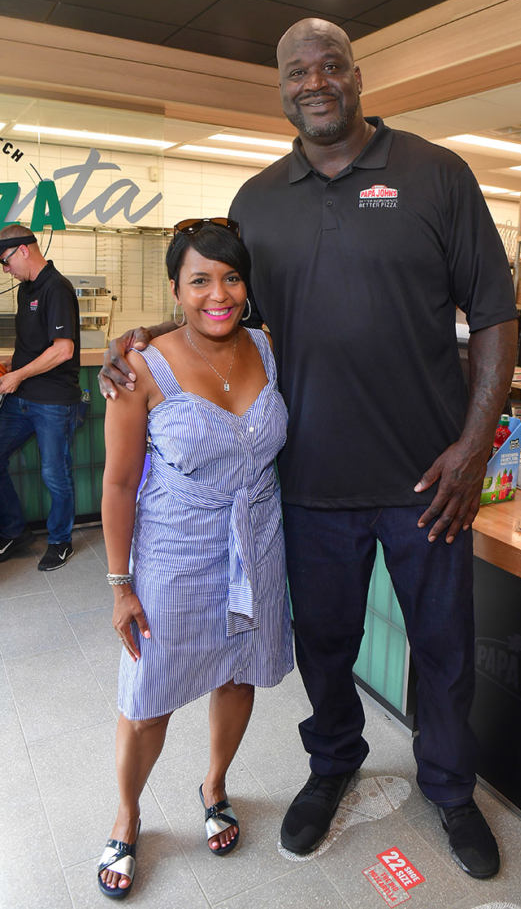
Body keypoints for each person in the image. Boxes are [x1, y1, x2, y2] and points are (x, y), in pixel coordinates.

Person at [100, 19, 518, 881]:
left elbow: (496, 317)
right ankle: (333, 764)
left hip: (428, 480)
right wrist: (144, 335)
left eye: (332, 66)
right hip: (309, 482)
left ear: (358, 77)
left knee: (442, 646)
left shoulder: (437, 174)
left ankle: (447, 785)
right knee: (323, 646)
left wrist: (475, 447)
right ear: (282, 87)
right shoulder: (258, 200)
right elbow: (227, 311)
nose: (315, 81)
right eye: (298, 70)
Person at [98, 219, 293, 899]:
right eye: (201, 279)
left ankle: (214, 784)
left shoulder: (268, 348)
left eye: (231, 277)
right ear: (176, 289)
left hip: (258, 541)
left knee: (237, 676)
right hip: (174, 552)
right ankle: (128, 813)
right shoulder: (139, 366)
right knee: (149, 697)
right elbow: (119, 483)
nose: (218, 293)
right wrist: (120, 584)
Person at [0, 224, 82, 570]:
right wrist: (11, 364)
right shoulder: (25, 290)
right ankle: (14, 531)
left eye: (5, 262)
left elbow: (63, 350)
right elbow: (35, 345)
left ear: (22, 250)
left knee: (54, 473)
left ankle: (61, 541)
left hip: (53, 401)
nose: (5, 270)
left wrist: (17, 375)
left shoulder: (57, 288)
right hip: (22, 398)